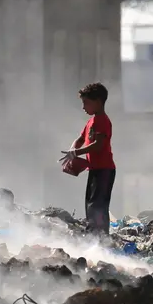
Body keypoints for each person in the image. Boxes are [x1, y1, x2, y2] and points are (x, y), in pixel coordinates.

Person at [61, 82, 116, 234]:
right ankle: (93, 235)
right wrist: (73, 149)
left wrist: (76, 153)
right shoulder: (91, 122)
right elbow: (80, 139)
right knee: (91, 204)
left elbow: (98, 144)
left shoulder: (102, 121)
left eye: (86, 103)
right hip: (95, 169)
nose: (83, 107)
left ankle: (100, 238)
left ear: (98, 102)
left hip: (105, 169)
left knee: (98, 206)